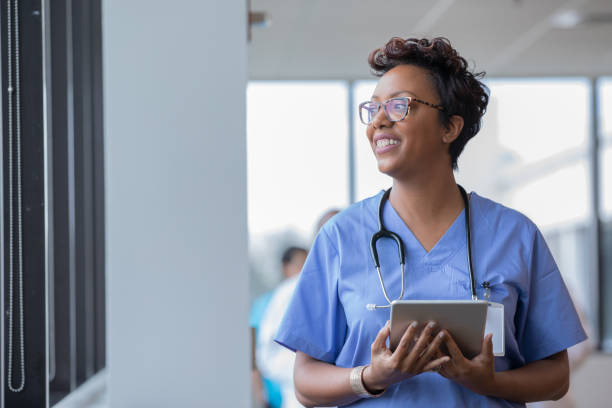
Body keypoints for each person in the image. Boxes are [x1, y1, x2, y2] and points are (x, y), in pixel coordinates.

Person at [274, 37, 587, 407]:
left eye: (399, 105)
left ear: (450, 128)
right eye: (373, 108)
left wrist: (489, 382)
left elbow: (556, 377)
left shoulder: (515, 236)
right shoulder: (340, 237)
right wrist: (371, 377)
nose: (378, 120)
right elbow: (305, 383)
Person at [256, 247, 308, 408]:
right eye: (300, 263)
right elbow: (256, 352)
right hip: (285, 390)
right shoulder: (265, 303)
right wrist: (260, 394)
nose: (305, 267)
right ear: (285, 267)